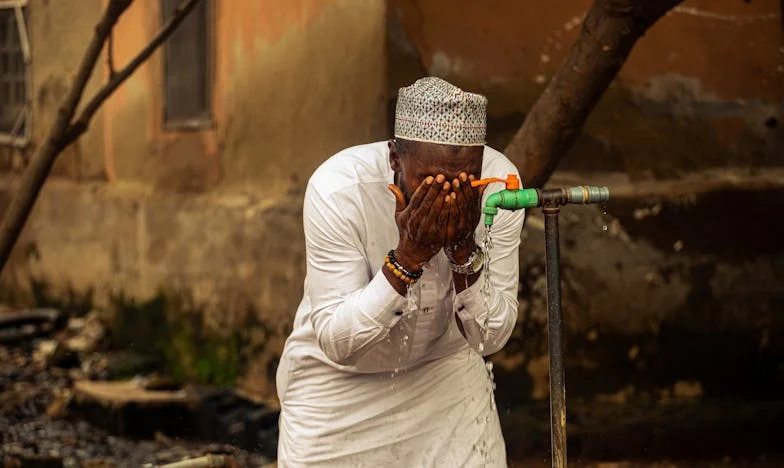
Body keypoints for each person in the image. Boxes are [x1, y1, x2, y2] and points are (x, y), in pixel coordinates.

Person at [275, 77, 526, 467]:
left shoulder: (497, 187)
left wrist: (463, 249)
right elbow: (338, 342)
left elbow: (490, 336)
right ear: (395, 158)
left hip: (444, 378)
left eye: (466, 180)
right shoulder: (339, 189)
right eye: (429, 183)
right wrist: (408, 257)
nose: (448, 196)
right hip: (337, 390)